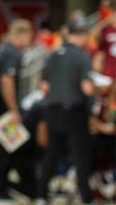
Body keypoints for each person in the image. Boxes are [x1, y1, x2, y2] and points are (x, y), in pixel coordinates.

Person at [36, 17, 95, 205]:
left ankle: (41, 196)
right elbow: (86, 88)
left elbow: (44, 87)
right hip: (74, 113)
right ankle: (86, 198)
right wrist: (97, 90)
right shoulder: (82, 56)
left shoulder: (53, 55)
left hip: (53, 111)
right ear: (83, 35)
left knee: (51, 155)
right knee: (81, 157)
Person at [0, 19, 36, 200]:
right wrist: (13, 110)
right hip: (4, 106)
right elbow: (7, 81)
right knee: (6, 147)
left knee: (5, 146)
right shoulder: (13, 53)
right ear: (23, 35)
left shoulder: (3, 49)